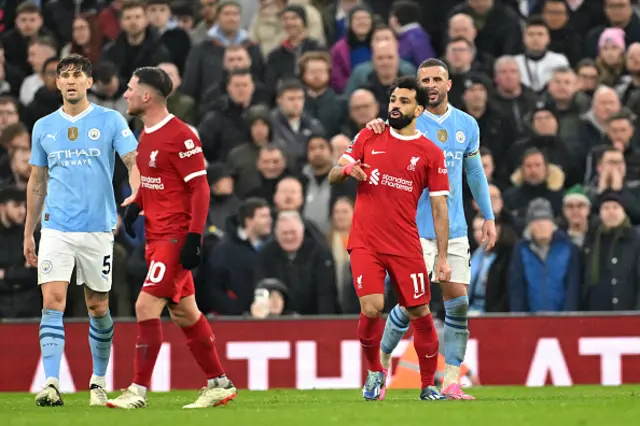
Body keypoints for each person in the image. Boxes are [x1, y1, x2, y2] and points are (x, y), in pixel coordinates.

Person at [106, 66, 236, 409]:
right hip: (156, 235)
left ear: (147, 96)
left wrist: (195, 238)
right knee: (185, 313)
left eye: (132, 88)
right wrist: (137, 204)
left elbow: (200, 189)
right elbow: (158, 184)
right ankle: (219, 383)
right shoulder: (146, 133)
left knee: (145, 305)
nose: (126, 94)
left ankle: (137, 390)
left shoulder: (181, 135)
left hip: (176, 237)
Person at [366, 58, 497, 400]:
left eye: (438, 78)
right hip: (410, 229)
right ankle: (378, 370)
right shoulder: (406, 122)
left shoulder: (466, 125)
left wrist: (488, 215)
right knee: (411, 307)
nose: (432, 84)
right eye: (425, 80)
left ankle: (451, 381)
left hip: (453, 229)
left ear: (449, 84)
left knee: (458, 304)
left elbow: (474, 173)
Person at [24, 54, 140, 407]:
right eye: (64, 75)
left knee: (98, 305)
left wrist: (136, 192)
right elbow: (36, 182)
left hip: (97, 228)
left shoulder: (110, 119)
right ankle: (52, 384)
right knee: (52, 302)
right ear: (57, 83)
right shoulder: (43, 126)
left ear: (89, 82)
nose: (71, 80)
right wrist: (29, 230)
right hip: (56, 227)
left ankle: (98, 381)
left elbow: (132, 160)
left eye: (78, 75)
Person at [328, 76, 451, 401]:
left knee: (419, 313)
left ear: (420, 109)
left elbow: (440, 208)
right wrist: (346, 171)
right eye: (393, 99)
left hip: (405, 244)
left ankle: (428, 386)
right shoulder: (369, 134)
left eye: (404, 101)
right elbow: (332, 173)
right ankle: (374, 373)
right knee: (372, 308)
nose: (395, 105)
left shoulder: (430, 153)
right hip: (365, 241)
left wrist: (441, 256)